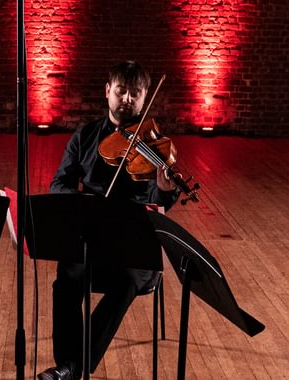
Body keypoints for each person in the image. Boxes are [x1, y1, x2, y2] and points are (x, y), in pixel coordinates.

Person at [38, 61, 180, 380]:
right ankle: (68, 364)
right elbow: (59, 184)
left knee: (127, 280)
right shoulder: (85, 136)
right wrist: (82, 202)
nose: (127, 99)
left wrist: (163, 188)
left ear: (144, 100)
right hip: (90, 238)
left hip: (132, 248)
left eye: (135, 93)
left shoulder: (155, 146)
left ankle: (72, 369)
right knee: (67, 279)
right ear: (108, 92)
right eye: (121, 91)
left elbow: (159, 207)